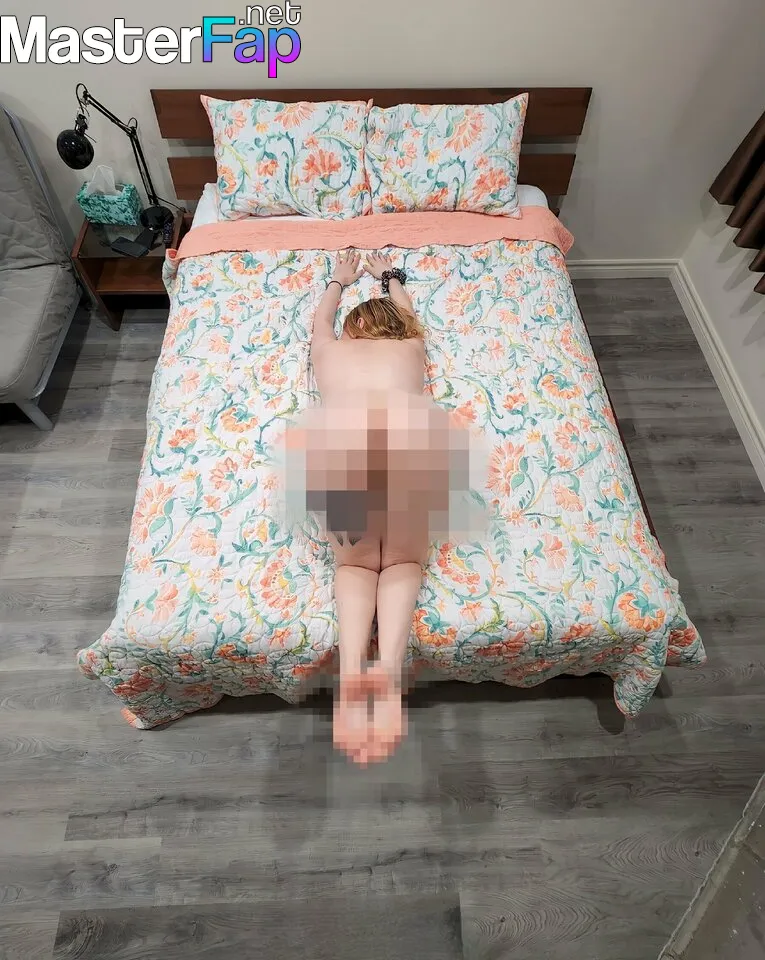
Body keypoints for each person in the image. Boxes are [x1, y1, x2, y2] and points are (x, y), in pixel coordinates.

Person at [285, 250, 465, 765]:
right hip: (410, 446)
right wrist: (389, 278)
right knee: (402, 561)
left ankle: (350, 675)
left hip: (342, 452)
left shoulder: (329, 350)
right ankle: (387, 673)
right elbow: (408, 312)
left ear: (354, 330)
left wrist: (339, 281)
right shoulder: (411, 346)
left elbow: (320, 320)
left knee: (356, 565)